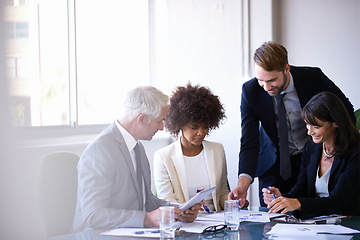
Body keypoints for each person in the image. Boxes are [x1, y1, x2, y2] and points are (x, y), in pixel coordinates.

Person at [229, 41, 356, 206]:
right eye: (261, 80)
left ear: (286, 69)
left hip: (312, 161)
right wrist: (243, 183)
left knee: (312, 213)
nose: (266, 87)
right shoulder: (250, 91)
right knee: (273, 220)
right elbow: (249, 141)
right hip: (274, 167)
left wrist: (339, 153)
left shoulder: (313, 78)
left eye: (272, 80)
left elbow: (344, 111)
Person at [72, 86, 201, 233]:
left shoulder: (137, 147)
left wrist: (178, 210)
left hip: (128, 233)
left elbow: (147, 200)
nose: (162, 128)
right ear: (141, 119)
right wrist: (146, 219)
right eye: (159, 121)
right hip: (96, 235)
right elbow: (93, 215)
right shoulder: (99, 151)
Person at [263, 91, 360, 219]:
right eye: (307, 124)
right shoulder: (311, 149)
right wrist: (282, 197)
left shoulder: (355, 153)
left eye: (316, 126)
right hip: (318, 224)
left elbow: (338, 201)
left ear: (336, 122)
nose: (309, 132)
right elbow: (301, 190)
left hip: (350, 224)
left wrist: (297, 203)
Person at [153, 83, 233, 212]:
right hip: (184, 222)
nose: (201, 132)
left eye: (205, 127)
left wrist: (234, 201)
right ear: (180, 124)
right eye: (194, 127)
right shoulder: (163, 156)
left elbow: (223, 193)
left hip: (215, 222)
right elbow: (166, 202)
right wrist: (187, 212)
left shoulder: (217, 150)